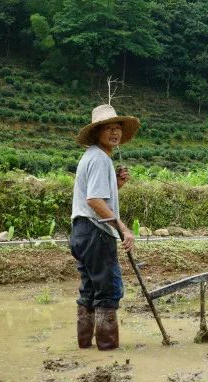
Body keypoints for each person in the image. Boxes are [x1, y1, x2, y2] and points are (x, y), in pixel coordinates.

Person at [70, 104, 138, 350]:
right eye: (108, 128)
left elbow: (96, 197)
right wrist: (122, 227)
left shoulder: (92, 156)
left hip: (81, 232)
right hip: (96, 232)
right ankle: (108, 352)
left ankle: (85, 345)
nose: (115, 133)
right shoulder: (99, 159)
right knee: (108, 289)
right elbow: (94, 201)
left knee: (89, 290)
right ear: (97, 132)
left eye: (117, 128)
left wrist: (116, 185)